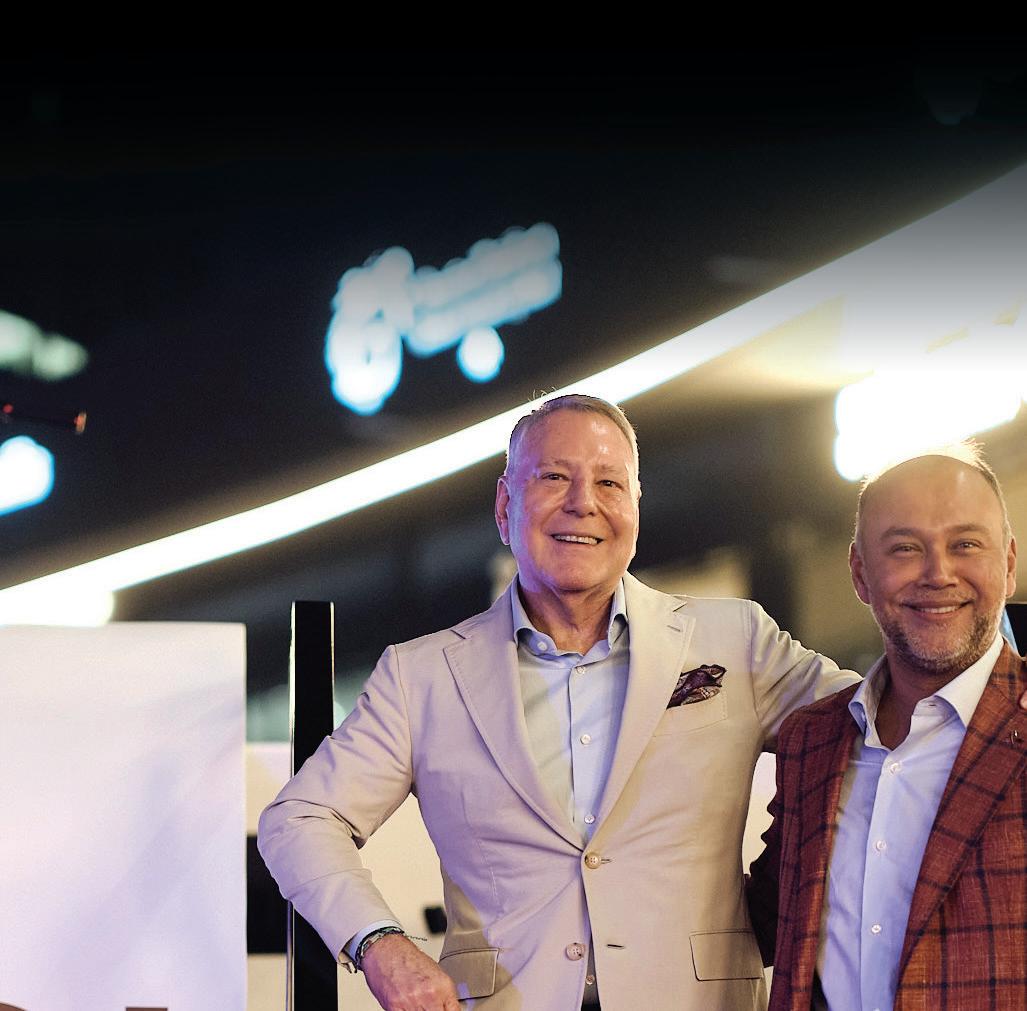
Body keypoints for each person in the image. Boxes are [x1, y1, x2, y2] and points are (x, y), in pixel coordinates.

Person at [258, 393, 856, 1010]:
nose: (583, 503)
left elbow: (871, 729)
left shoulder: (737, 640)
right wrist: (381, 945)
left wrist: (779, 887)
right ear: (504, 506)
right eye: (553, 477)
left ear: (635, 508)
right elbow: (299, 819)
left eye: (609, 483)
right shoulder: (422, 676)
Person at [748, 447, 1027, 1010]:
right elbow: (760, 921)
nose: (938, 573)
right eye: (905, 548)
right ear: (860, 573)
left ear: (1008, 563)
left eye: (965, 545)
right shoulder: (810, 743)